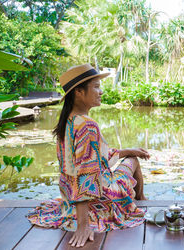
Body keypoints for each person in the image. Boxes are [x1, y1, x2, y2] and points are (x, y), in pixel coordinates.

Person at [27, 64, 150, 247]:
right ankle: (139, 202)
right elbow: (85, 173)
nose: (100, 91)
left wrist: (128, 150)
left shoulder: (67, 121)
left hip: (71, 202)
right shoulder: (87, 125)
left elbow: (94, 160)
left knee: (131, 156)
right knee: (132, 162)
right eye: (96, 86)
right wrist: (84, 225)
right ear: (78, 91)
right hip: (101, 201)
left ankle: (136, 199)